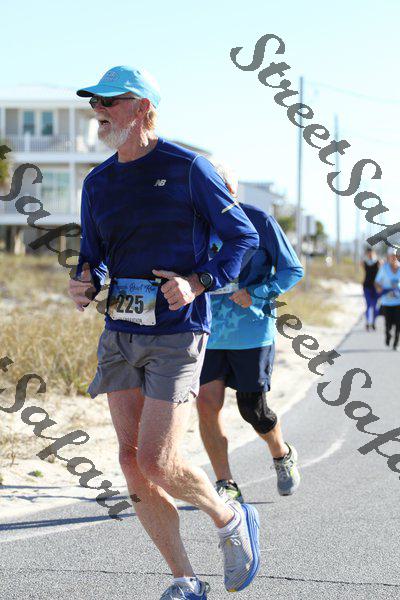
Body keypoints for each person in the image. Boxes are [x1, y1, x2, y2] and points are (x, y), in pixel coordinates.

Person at [68, 66, 262, 600]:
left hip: (178, 332)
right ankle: (185, 579)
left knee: (158, 460)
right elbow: (94, 256)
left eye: (110, 101)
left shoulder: (187, 167)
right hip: (120, 331)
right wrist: (85, 282)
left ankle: (229, 518)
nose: (99, 110)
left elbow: (241, 236)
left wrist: (198, 282)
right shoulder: (97, 182)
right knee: (130, 461)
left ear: (143, 109)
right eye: (95, 102)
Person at [197, 163, 303, 503]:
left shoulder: (260, 221)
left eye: (218, 188)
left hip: (252, 332)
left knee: (252, 410)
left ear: (232, 190)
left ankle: (282, 453)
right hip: (207, 331)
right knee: (206, 405)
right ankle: (225, 482)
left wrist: (256, 293)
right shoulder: (194, 225)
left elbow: (292, 270)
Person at [375, 249, 400, 351]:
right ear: (388, 257)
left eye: (396, 256)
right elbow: (377, 282)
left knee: (398, 324)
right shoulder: (384, 268)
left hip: (398, 302)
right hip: (387, 302)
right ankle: (388, 335)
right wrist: (379, 288)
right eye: (392, 256)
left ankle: (396, 343)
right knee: (388, 324)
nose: (394, 258)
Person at [361, 248, 380, 331]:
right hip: (367, 286)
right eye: (368, 253)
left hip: (375, 287)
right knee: (368, 305)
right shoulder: (364, 262)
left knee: (375, 306)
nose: (370, 255)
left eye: (371, 253)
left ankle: (373, 322)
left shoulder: (378, 262)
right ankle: (368, 322)